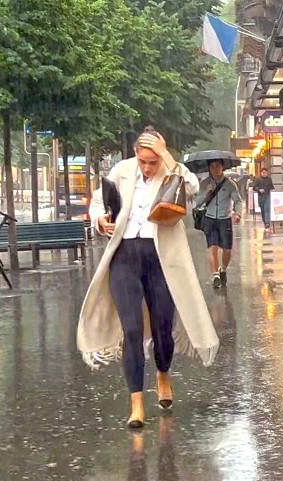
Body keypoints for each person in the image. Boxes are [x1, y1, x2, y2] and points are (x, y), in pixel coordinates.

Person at [79, 128, 219, 430]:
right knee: (131, 329)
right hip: (125, 255)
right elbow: (97, 202)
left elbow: (192, 185)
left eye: (152, 161)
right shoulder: (122, 171)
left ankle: (163, 374)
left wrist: (167, 156)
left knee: (162, 326)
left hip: (161, 257)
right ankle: (137, 403)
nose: (146, 167)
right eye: (142, 160)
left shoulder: (172, 172)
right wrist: (99, 219)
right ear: (135, 154)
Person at [193, 160, 243, 288]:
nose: (215, 169)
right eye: (212, 166)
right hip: (209, 219)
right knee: (212, 247)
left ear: (222, 168)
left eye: (218, 166)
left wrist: (237, 213)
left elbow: (237, 200)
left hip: (224, 219)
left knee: (227, 249)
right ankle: (215, 275)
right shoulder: (205, 184)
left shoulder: (230, 184)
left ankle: (223, 269)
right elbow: (197, 203)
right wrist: (206, 192)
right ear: (209, 168)